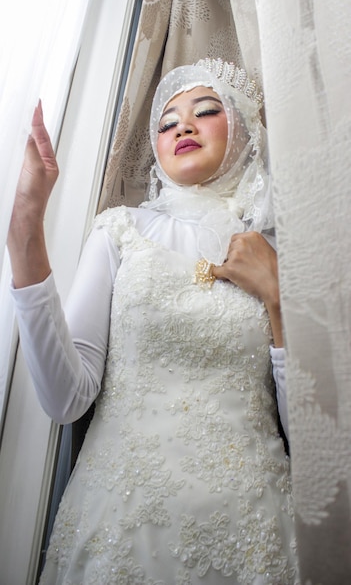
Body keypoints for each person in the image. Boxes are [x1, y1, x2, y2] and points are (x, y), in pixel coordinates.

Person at [7, 58, 298, 584]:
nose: (182, 126)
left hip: (253, 527)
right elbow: (66, 397)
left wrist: (277, 295)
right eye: (166, 122)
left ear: (244, 130)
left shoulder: (279, 252)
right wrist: (26, 225)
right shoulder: (122, 231)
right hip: (121, 523)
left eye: (205, 111)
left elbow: (308, 434)